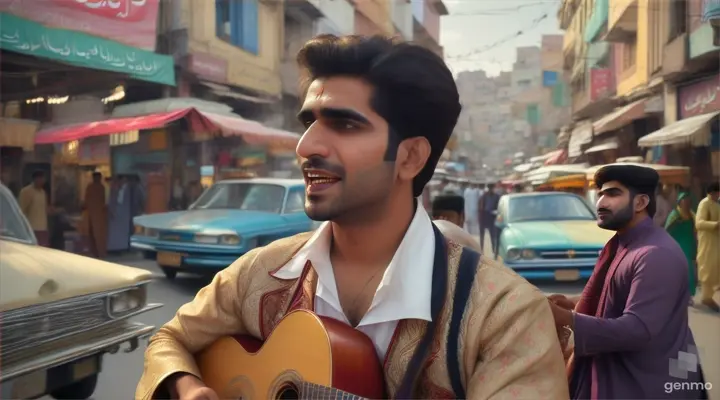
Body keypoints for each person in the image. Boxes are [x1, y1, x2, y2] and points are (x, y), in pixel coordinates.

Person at [136, 34, 567, 400]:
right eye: (309, 122)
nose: (306, 146)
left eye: (343, 125)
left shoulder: (504, 317)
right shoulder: (261, 274)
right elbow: (169, 339)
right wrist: (188, 386)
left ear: (411, 156)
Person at [548, 164, 707, 399]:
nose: (601, 202)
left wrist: (568, 319)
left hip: (650, 383)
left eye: (613, 194)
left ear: (640, 203)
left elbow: (638, 330)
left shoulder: (654, 254)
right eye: (601, 193)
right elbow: (619, 297)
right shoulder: (622, 243)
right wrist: (573, 303)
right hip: (622, 373)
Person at [665, 192, 697, 304]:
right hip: (676, 247)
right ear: (679, 202)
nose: (686, 203)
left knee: (689, 272)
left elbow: (695, 231)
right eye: (684, 201)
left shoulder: (692, 215)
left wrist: (695, 246)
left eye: (688, 201)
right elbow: (667, 231)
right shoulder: (674, 215)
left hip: (688, 246)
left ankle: (688, 296)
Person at [695, 182, 720, 312]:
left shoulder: (716, 204)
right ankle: (706, 297)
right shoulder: (704, 204)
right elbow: (699, 223)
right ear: (712, 192)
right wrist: (715, 225)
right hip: (707, 242)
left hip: (716, 242)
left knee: (715, 268)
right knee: (707, 269)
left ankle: (710, 295)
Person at [18, 170, 49, 246]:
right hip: (31, 228)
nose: (42, 181)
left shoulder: (43, 192)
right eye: (40, 179)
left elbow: (44, 209)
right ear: (35, 179)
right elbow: (21, 209)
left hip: (42, 227)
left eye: (43, 179)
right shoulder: (26, 191)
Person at [82, 172, 108, 258]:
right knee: (96, 234)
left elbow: (86, 201)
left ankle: (98, 252)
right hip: (96, 215)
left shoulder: (98, 187)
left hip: (94, 215)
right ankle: (98, 252)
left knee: (96, 234)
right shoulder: (99, 187)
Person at [478, 183, 500, 256]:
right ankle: (481, 250)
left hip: (492, 217)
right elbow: (480, 207)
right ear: (488, 188)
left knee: (493, 235)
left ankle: (494, 251)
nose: (491, 189)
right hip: (484, 216)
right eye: (490, 188)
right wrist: (480, 216)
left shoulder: (497, 196)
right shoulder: (483, 196)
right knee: (482, 235)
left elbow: (498, 207)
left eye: (492, 188)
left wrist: (496, 212)